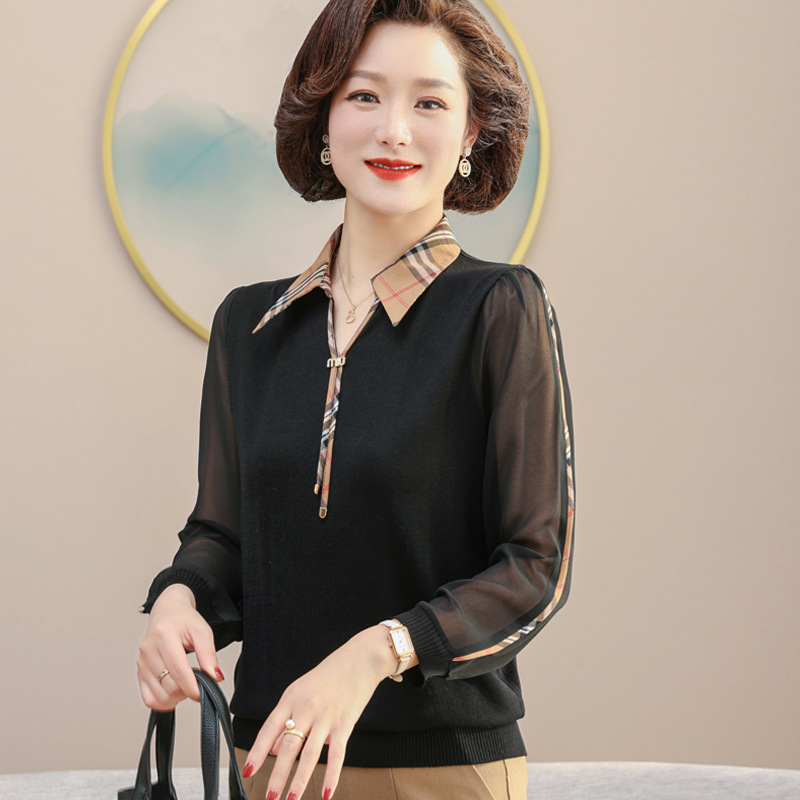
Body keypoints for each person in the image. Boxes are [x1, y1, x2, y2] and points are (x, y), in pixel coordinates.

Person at [136, 1, 575, 798]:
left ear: (472, 132)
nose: (394, 130)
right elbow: (224, 536)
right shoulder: (249, 325)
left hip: (442, 771)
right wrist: (176, 600)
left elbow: (533, 567)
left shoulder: (499, 309)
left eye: (430, 102)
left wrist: (374, 655)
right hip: (274, 761)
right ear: (324, 116)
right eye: (365, 95)